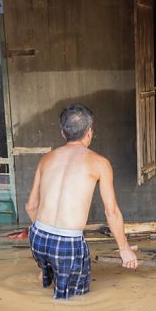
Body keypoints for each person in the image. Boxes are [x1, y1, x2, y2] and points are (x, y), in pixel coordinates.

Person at [25, 104, 138, 298]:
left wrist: (46, 240)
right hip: (68, 242)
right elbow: (111, 211)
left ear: (63, 133)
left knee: (48, 285)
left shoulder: (46, 158)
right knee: (73, 301)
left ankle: (47, 270)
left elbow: (31, 206)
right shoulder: (100, 163)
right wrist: (124, 249)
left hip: (38, 237)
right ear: (89, 132)